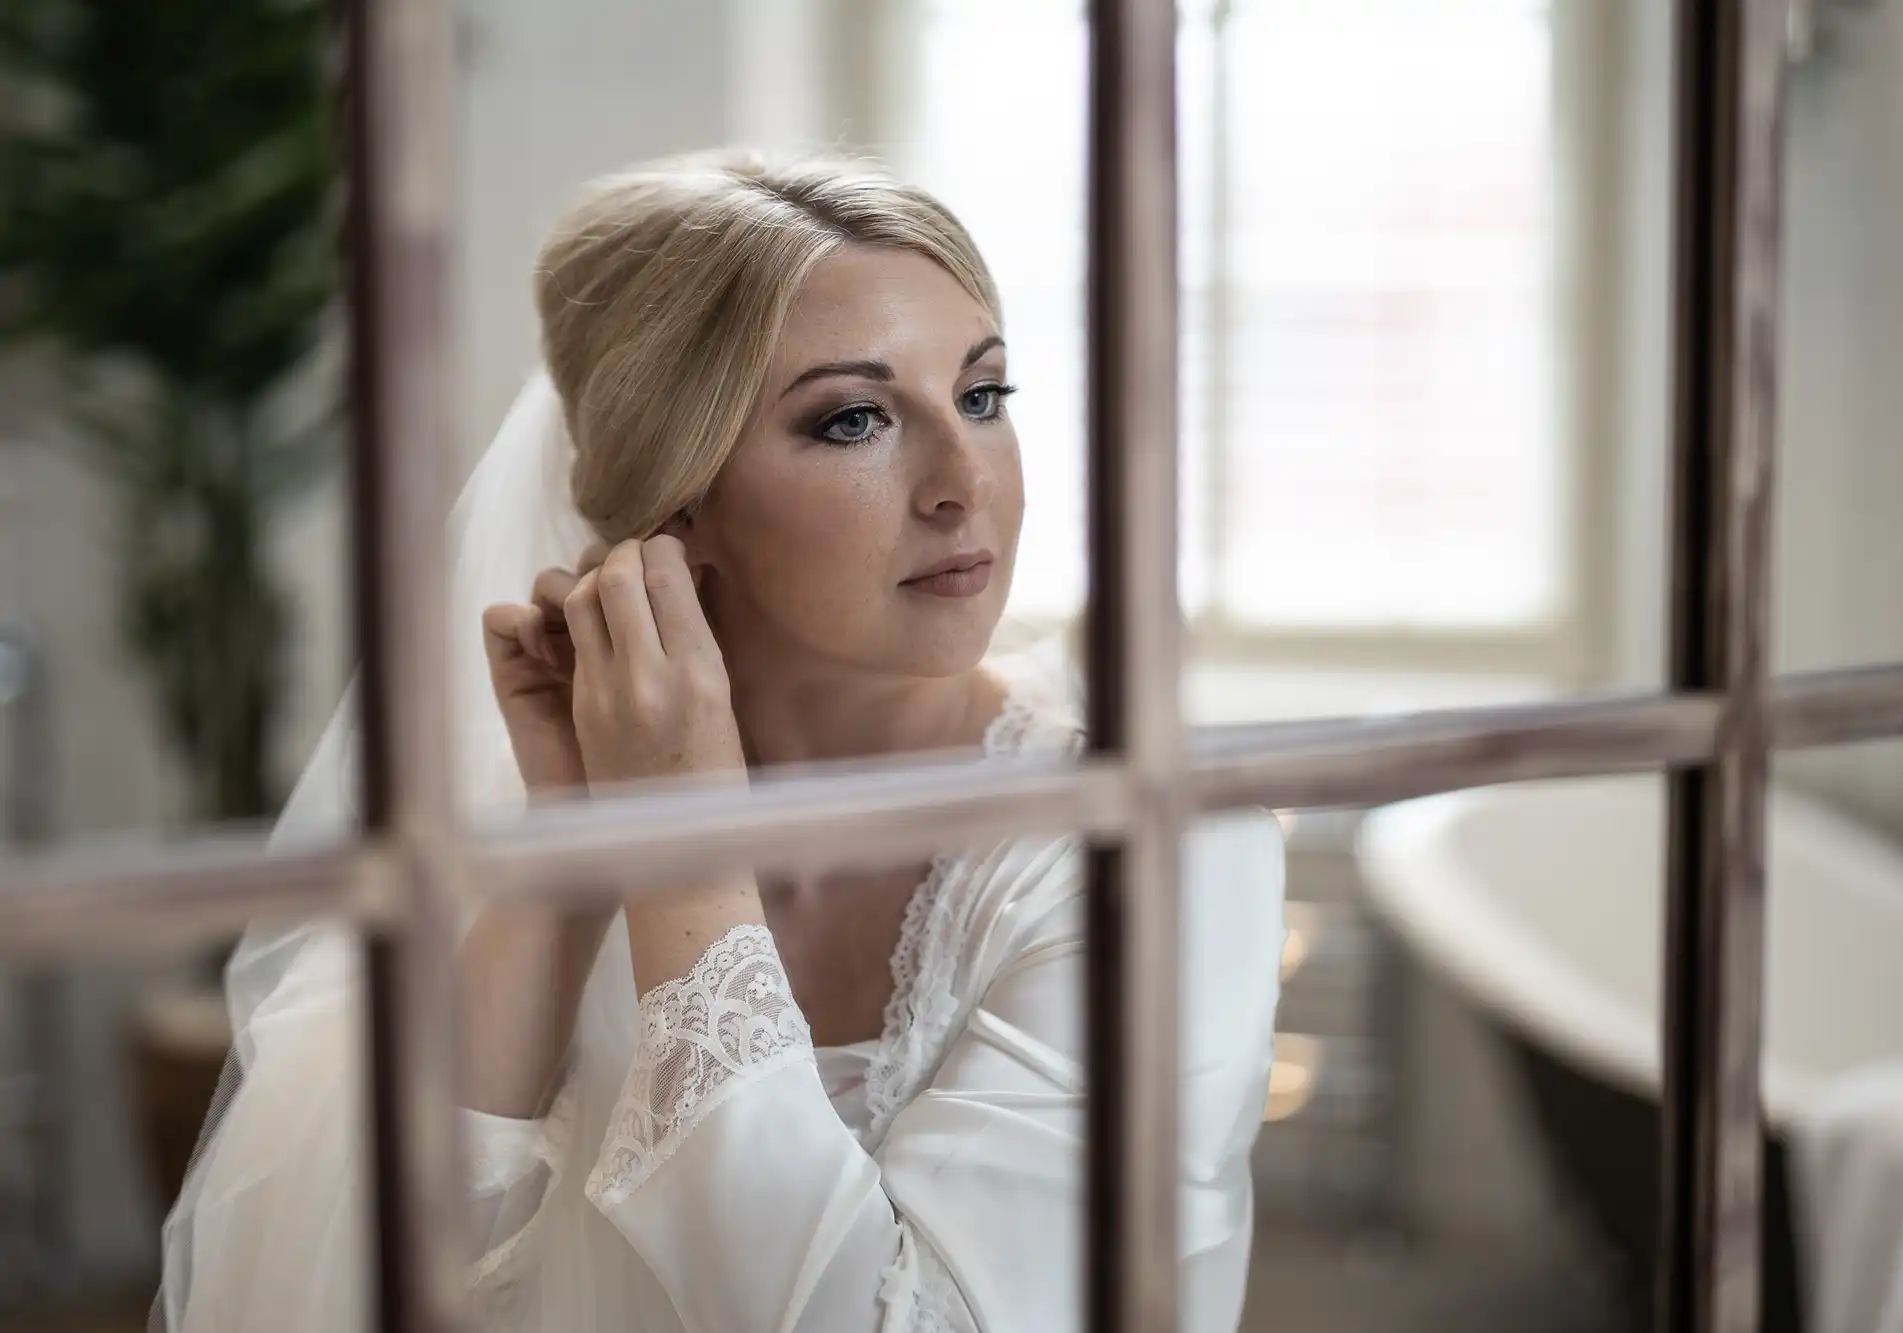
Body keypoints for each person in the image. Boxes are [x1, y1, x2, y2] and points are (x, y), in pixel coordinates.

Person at [153, 150, 1286, 1333]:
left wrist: (685, 860)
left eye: (982, 396)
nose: (964, 483)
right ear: (675, 507)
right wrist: (577, 846)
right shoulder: (543, 812)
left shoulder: (1158, 855)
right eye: (855, 419)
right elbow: (372, 1284)